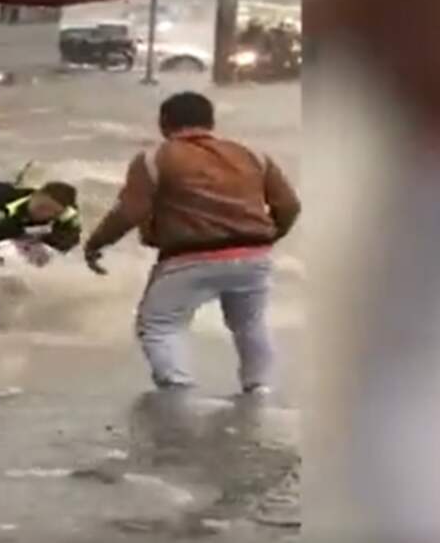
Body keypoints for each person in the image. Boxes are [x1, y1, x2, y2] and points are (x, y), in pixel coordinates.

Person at [84, 92, 301, 395]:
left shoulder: (155, 158)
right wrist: (269, 237)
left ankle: (178, 391)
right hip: (254, 257)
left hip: (188, 258)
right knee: (250, 325)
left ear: (164, 123)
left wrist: (96, 244)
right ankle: (259, 389)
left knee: (159, 325)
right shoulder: (253, 155)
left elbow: (130, 211)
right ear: (211, 122)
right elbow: (289, 205)